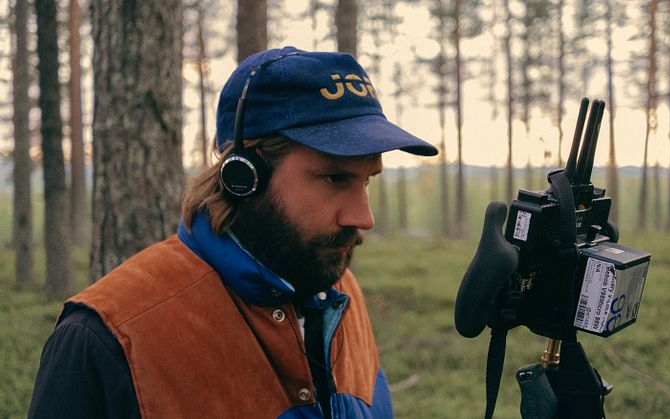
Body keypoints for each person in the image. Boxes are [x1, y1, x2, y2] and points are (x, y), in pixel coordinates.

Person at [28, 46, 437, 419]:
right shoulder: (108, 339)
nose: (364, 217)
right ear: (245, 175)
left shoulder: (342, 294)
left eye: (366, 181)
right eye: (334, 178)